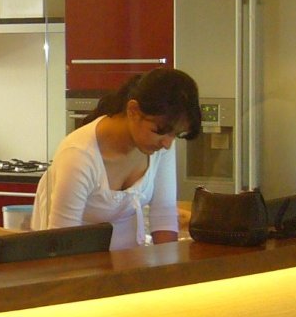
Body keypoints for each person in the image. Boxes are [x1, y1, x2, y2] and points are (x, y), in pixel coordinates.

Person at [31, 68, 202, 249]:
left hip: (125, 260)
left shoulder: (160, 143)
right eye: (160, 131)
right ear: (133, 110)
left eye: (176, 134)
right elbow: (61, 242)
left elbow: (163, 214)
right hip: (74, 258)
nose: (167, 143)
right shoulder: (79, 156)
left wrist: (169, 271)